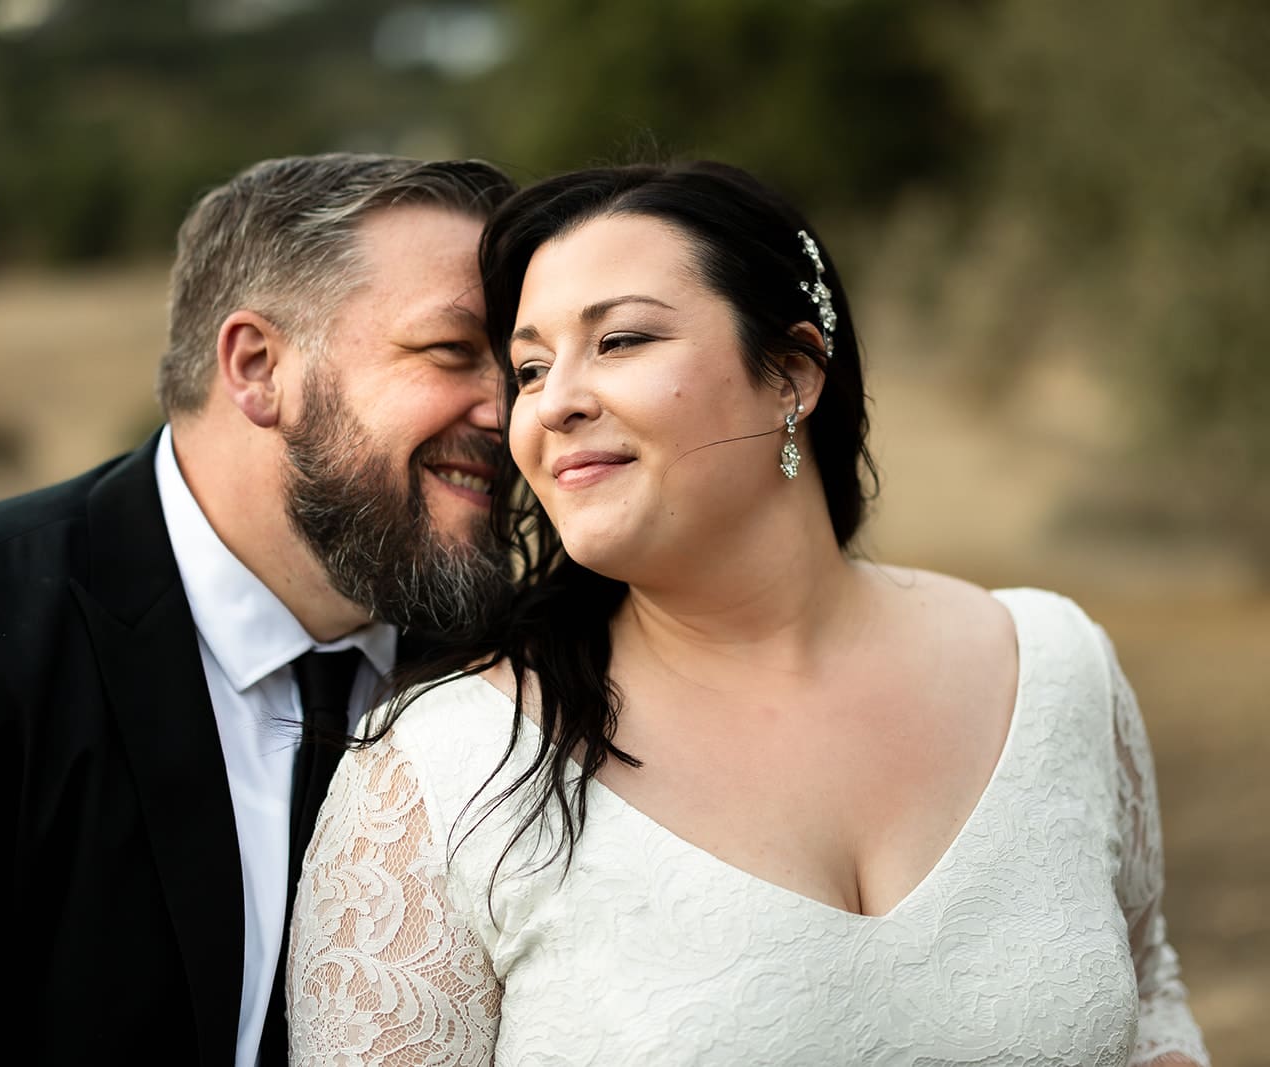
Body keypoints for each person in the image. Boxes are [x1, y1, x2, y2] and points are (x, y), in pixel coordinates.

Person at [286, 162, 1212, 1065]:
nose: (552, 403)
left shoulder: (1053, 665)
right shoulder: (440, 771)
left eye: (620, 341)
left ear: (792, 375)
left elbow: (1149, 1000)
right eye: (529, 368)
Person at [0, 152, 516, 1067]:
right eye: (454, 351)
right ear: (257, 367)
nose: (513, 412)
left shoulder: (519, 677)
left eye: (524, 366)